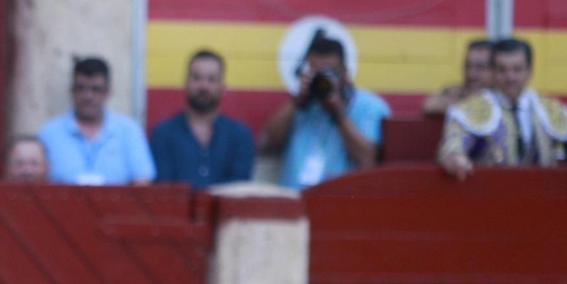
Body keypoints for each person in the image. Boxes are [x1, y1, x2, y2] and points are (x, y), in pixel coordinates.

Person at [437, 37, 567, 181]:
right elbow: (453, 143)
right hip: (490, 195)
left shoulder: (550, 109)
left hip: (541, 195)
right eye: (502, 70)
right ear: (492, 72)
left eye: (517, 69)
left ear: (529, 71)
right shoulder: (471, 108)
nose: (510, 77)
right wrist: (454, 156)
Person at [259, 31, 389, 188]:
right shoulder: (303, 104)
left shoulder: (369, 106)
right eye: (315, 72)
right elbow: (266, 141)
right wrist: (297, 101)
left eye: (328, 73)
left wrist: (337, 111)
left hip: (339, 198)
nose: (321, 79)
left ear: (344, 72)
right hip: (295, 197)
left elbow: (368, 158)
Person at [37, 57, 156, 185]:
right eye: (81, 88)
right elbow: (36, 181)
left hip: (116, 199)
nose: (88, 96)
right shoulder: (49, 133)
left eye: (96, 89)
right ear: (72, 90)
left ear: (108, 92)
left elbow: (143, 180)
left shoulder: (129, 131)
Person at [149, 50, 257, 186]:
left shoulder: (240, 135)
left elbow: (239, 189)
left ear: (223, 86)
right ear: (186, 82)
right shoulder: (162, 133)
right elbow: (164, 189)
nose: (204, 86)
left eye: (212, 79)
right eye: (196, 78)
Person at [422, 39, 494, 116]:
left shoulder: (500, 96)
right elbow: (430, 106)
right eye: (467, 66)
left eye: (480, 67)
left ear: (494, 70)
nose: (471, 74)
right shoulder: (458, 92)